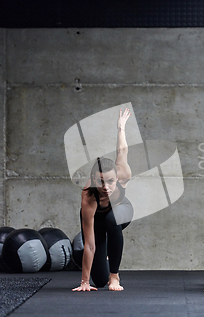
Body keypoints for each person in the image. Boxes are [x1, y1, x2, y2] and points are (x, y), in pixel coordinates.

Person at [73, 108, 134, 292]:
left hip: (121, 209)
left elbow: (122, 149)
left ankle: (115, 276)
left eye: (110, 181)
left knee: (112, 218)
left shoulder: (123, 174)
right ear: (93, 180)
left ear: (118, 178)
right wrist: (84, 282)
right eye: (100, 181)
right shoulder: (89, 196)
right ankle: (105, 266)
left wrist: (121, 128)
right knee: (99, 281)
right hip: (98, 221)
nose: (106, 187)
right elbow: (90, 244)